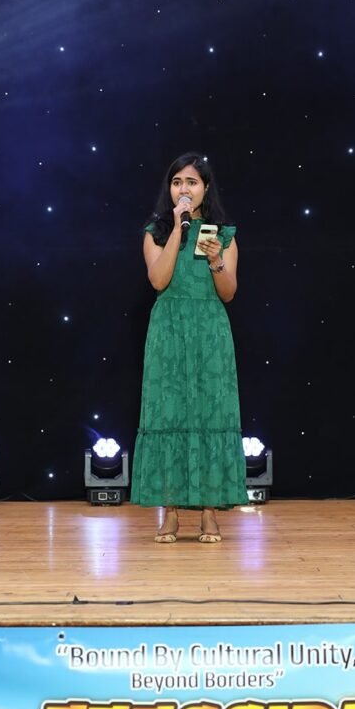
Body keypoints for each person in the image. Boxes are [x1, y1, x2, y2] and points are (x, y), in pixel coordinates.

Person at [130, 152, 247, 542]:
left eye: (192, 182)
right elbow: (158, 280)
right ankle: (170, 513)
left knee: (209, 414)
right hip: (169, 329)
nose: (184, 188)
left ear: (206, 189)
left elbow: (228, 292)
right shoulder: (156, 232)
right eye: (177, 182)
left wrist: (216, 261)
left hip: (209, 330)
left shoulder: (222, 234)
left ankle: (210, 513)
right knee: (170, 413)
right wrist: (179, 230)